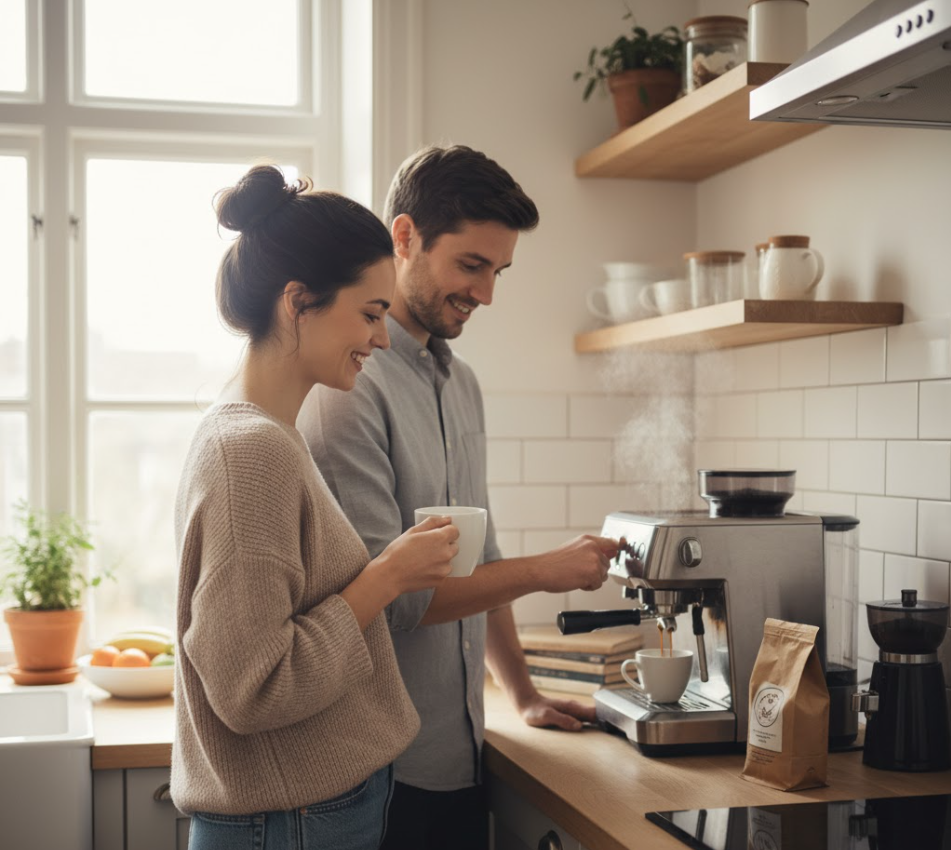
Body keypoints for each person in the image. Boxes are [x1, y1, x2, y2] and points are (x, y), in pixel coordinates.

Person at [298, 145, 619, 850]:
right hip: (382, 772)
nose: (486, 293)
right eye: (471, 266)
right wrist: (546, 570)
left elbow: (480, 558)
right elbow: (397, 598)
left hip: (460, 751)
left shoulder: (460, 381)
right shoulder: (350, 388)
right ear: (404, 237)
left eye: (497, 271)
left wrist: (524, 695)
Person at [171, 164, 460, 850]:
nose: (382, 339)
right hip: (291, 823)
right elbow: (254, 688)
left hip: (297, 817)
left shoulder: (260, 435)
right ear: (297, 302)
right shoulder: (251, 454)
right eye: (369, 313)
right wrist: (386, 576)